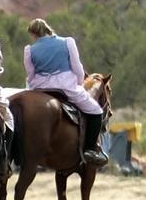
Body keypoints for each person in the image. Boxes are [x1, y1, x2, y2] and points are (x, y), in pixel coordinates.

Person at [24, 18, 108, 166]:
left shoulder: (29, 50)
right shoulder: (67, 42)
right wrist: (79, 82)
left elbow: (30, 76)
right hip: (65, 87)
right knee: (96, 111)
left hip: (40, 89)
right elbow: (77, 67)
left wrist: (33, 87)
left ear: (34, 34)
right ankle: (89, 149)